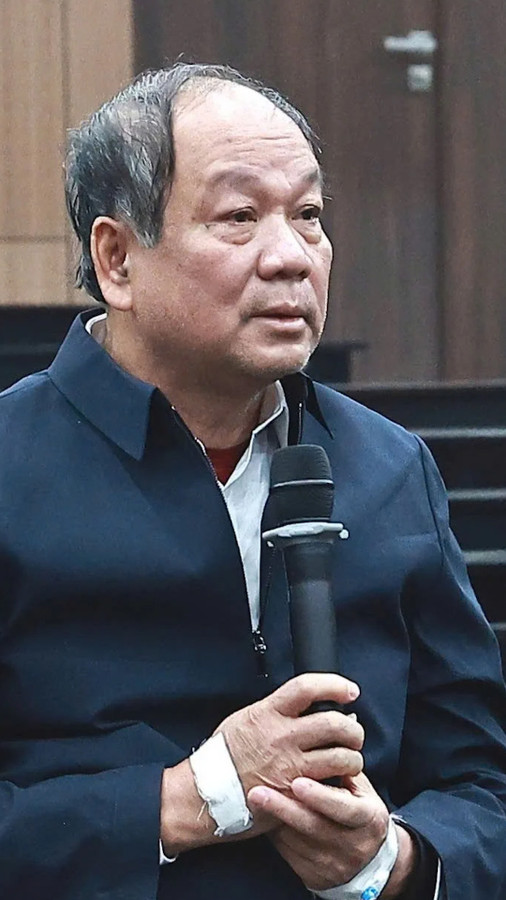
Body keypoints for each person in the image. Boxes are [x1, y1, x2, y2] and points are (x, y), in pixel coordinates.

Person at [0, 62, 504, 900]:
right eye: (239, 217)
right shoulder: (14, 467)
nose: (291, 258)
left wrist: (396, 861)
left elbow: (481, 782)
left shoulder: (390, 468)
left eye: (309, 216)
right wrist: (183, 801)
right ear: (117, 259)